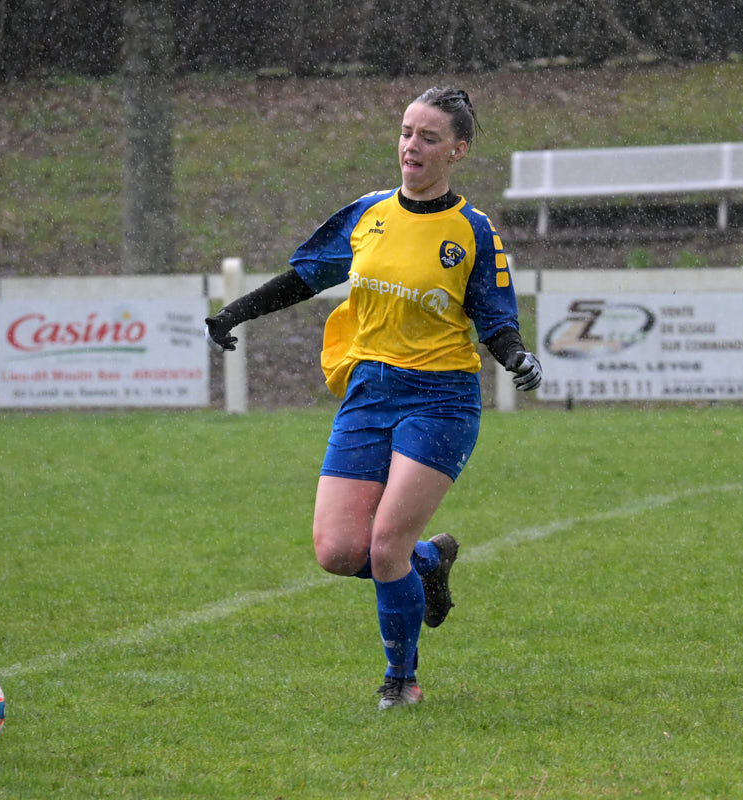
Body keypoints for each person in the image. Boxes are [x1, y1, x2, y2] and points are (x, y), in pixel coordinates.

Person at [205, 86, 542, 710]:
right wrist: (234, 313)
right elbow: (307, 277)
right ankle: (426, 565)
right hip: (368, 392)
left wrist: (516, 356)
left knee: (382, 544)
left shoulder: (472, 230)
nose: (412, 146)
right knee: (338, 551)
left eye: (429, 137)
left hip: (440, 399)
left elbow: (493, 314)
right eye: (407, 132)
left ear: (458, 150)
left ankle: (402, 680)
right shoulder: (368, 212)